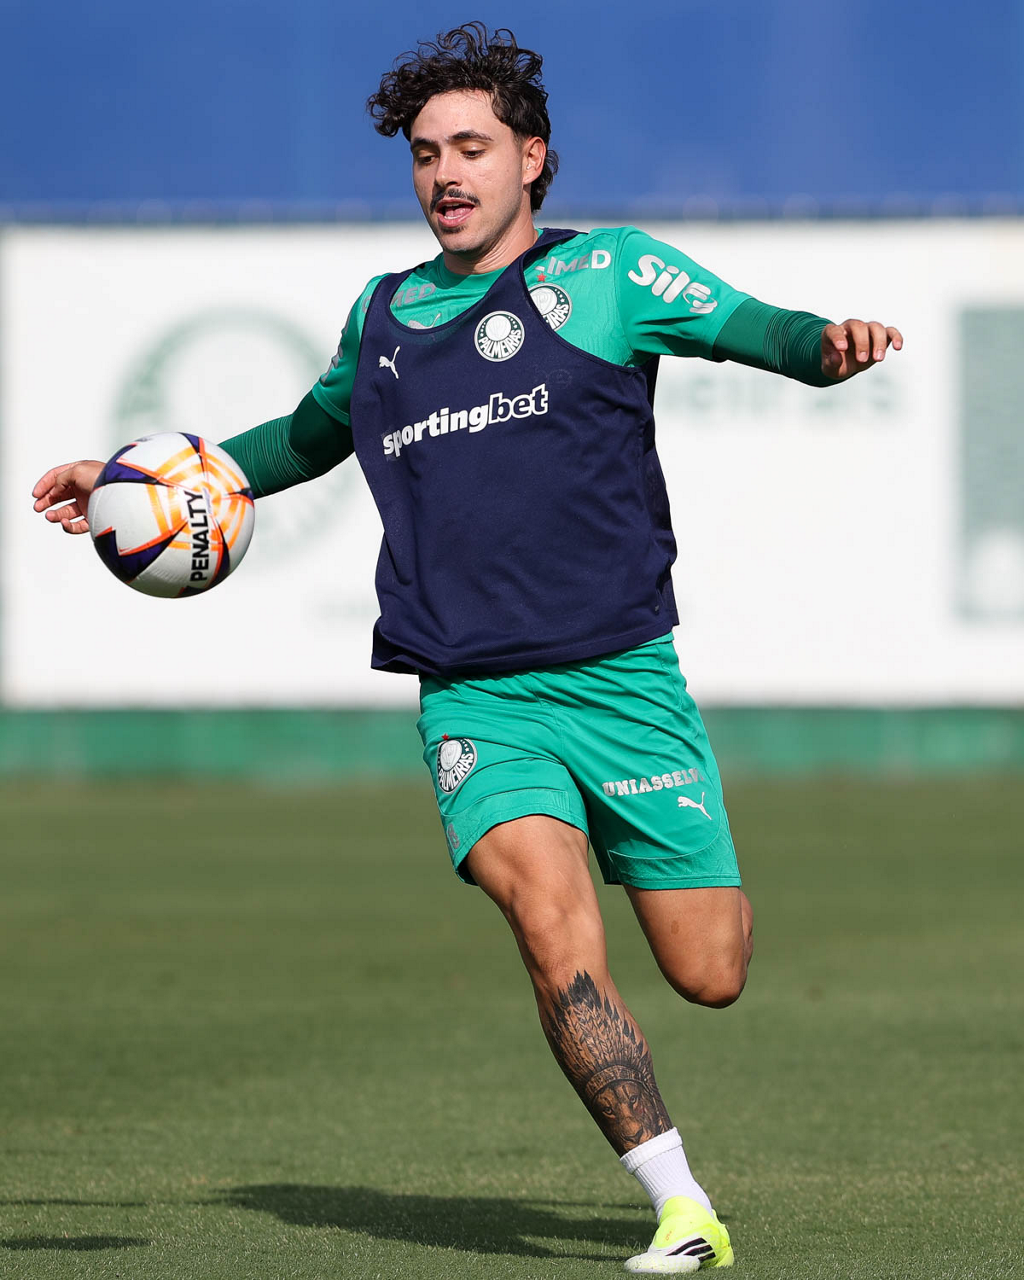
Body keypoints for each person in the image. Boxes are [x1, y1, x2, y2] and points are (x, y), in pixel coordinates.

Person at [32, 23, 902, 1273]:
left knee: (709, 967)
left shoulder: (607, 273)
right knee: (551, 925)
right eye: (426, 154)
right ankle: (680, 1206)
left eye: (472, 149)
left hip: (624, 681)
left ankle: (630, 847)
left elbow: (759, 329)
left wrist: (828, 345)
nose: (445, 173)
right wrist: (144, 485)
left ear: (531, 157)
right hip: (476, 697)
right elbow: (308, 433)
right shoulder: (386, 314)